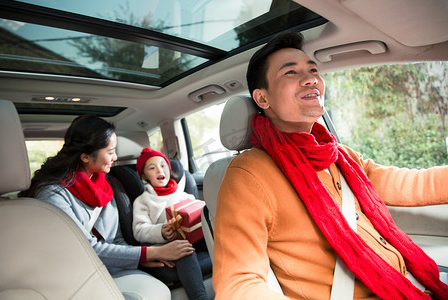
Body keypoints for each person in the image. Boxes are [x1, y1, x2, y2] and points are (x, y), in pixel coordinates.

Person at [212, 31, 448, 300]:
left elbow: (411, 184)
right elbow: (238, 285)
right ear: (263, 99)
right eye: (290, 73)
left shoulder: (340, 156)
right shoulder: (247, 175)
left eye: (313, 70)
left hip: (410, 287)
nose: (311, 78)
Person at [23, 115, 195, 300]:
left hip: (108, 267)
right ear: (86, 157)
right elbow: (85, 250)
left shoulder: (105, 185)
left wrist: (141, 259)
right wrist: (153, 252)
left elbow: (116, 240)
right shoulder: (53, 194)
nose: (116, 157)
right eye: (110, 151)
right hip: (72, 272)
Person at [133, 147, 211, 300]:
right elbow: (139, 230)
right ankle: (200, 297)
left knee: (215, 235)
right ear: (144, 176)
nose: (159, 170)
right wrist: (160, 231)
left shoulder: (181, 194)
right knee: (183, 250)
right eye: (152, 168)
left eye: (163, 166)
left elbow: (196, 209)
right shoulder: (143, 200)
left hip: (192, 238)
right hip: (166, 246)